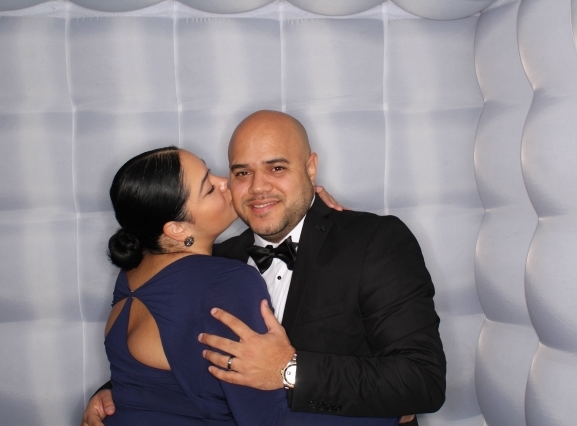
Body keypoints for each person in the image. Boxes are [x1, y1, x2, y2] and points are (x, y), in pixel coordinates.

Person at [84, 111, 445, 425]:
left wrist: (290, 369)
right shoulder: (216, 262)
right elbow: (180, 364)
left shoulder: (373, 241)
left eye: (276, 168)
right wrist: (115, 392)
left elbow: (423, 380)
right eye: (241, 172)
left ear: (310, 168)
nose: (258, 188)